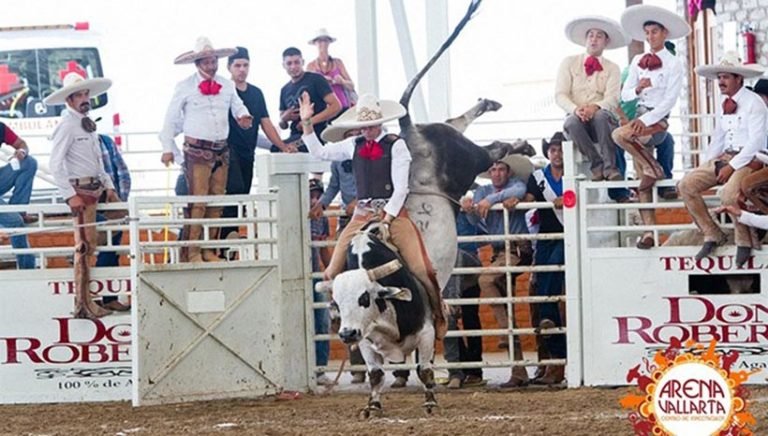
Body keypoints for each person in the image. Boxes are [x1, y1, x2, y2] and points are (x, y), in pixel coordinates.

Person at [297, 91, 446, 343]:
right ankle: (340, 315)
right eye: (362, 126)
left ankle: (439, 313)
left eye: (370, 125)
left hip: (394, 213)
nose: (366, 130)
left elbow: (401, 188)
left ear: (379, 123)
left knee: (423, 268)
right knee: (331, 270)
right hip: (362, 215)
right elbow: (320, 152)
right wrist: (307, 123)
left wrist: (387, 218)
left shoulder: (396, 144)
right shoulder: (353, 145)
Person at [159, 37, 253, 263]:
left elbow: (237, 105)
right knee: (197, 202)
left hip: (221, 149)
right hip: (197, 151)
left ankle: (209, 249)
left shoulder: (226, 85)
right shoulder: (184, 87)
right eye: (207, 61)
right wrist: (167, 147)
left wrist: (243, 115)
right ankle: (192, 251)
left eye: (214, 61)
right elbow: (170, 119)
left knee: (216, 202)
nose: (211, 65)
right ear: (198, 63)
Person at [678, 53, 767, 266]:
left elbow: (756, 141)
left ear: (739, 79)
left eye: (726, 77)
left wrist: (732, 166)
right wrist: (707, 165)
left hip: (750, 159)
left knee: (729, 193)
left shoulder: (755, 103)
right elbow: (718, 136)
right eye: (719, 77)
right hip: (726, 156)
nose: (721, 82)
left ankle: (744, 240)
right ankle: (711, 232)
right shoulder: (723, 103)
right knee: (686, 185)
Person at [612, 5, 690, 249]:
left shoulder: (673, 63)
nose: (650, 37)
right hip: (638, 119)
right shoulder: (637, 61)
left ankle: (653, 167)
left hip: (656, 121)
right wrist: (637, 89)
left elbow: (670, 99)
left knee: (618, 135)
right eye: (647, 32)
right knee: (640, 176)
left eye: (654, 32)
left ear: (664, 33)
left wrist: (645, 120)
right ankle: (648, 232)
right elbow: (624, 94)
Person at [45, 72, 118, 319]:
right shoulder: (67, 125)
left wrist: (108, 185)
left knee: (89, 245)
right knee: (85, 246)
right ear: (70, 99)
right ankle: (83, 303)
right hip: (81, 191)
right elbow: (56, 164)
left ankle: (86, 302)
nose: (85, 98)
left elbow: (97, 161)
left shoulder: (85, 125)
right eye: (79, 95)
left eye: (86, 93)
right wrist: (69, 195)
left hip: (92, 189)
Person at [460, 155, 532, 387]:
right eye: (493, 169)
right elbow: (474, 223)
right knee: (506, 304)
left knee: (486, 280)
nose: (497, 173)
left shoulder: (514, 186)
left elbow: (520, 190)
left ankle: (504, 335)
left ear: (508, 172)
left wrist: (490, 201)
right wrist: (470, 208)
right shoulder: (482, 192)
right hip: (499, 252)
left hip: (517, 249)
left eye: (501, 169)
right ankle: (519, 370)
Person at [221, 46, 296, 241]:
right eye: (237, 65)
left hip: (248, 150)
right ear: (229, 67)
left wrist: (282, 145)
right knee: (234, 187)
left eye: (245, 65)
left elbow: (266, 123)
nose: (242, 69)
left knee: (243, 192)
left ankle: (230, 237)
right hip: (227, 149)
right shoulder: (224, 90)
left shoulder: (256, 93)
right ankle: (227, 233)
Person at [556, 16, 628, 182]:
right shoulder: (568, 62)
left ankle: (611, 168)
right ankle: (597, 165)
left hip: (602, 119)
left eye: (599, 36)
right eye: (591, 35)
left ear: (606, 42)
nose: (594, 40)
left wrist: (595, 107)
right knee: (570, 122)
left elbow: (613, 98)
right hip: (577, 118)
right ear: (585, 39)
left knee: (602, 116)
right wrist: (576, 109)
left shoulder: (613, 68)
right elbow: (560, 94)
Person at [522, 132, 568, 385]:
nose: (557, 154)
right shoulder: (538, 178)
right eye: (553, 149)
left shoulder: (575, 176)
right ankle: (554, 360)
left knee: (547, 288)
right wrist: (514, 200)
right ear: (548, 153)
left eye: (560, 149)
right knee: (541, 291)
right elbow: (528, 200)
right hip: (547, 236)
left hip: (566, 237)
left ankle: (557, 361)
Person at [278, 47, 341, 150]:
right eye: (289, 63)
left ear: (302, 62)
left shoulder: (315, 79)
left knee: (280, 149)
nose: (293, 67)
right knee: (276, 148)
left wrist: (308, 122)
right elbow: (283, 125)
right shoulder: (284, 90)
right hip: (295, 135)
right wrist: (284, 118)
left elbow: (336, 106)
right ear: (283, 65)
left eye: (297, 62)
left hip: (316, 134)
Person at [94, 133, 131, 311]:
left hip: (107, 199)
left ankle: (103, 298)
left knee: (109, 248)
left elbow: (122, 171)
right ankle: (105, 298)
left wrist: (119, 201)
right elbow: (122, 171)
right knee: (106, 247)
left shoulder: (104, 141)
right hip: (95, 199)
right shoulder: (103, 141)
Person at [0, 121, 37, 269]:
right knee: (15, 222)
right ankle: (27, 269)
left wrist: (21, 152)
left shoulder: (0, 128)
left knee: (29, 162)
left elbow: (21, 143)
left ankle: (19, 209)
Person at [309, 178, 333, 386]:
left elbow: (324, 248)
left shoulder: (321, 217)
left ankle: (320, 367)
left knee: (321, 320)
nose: (315, 199)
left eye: (318, 195)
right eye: (311, 195)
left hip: (315, 272)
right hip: (302, 272)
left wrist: (331, 273)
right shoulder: (292, 212)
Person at [306, 28, 357, 110]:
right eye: (320, 41)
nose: (323, 44)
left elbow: (351, 85)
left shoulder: (338, 62)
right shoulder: (311, 66)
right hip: (323, 110)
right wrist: (321, 82)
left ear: (329, 42)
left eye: (325, 41)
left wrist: (342, 82)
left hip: (342, 107)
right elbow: (308, 91)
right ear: (315, 43)